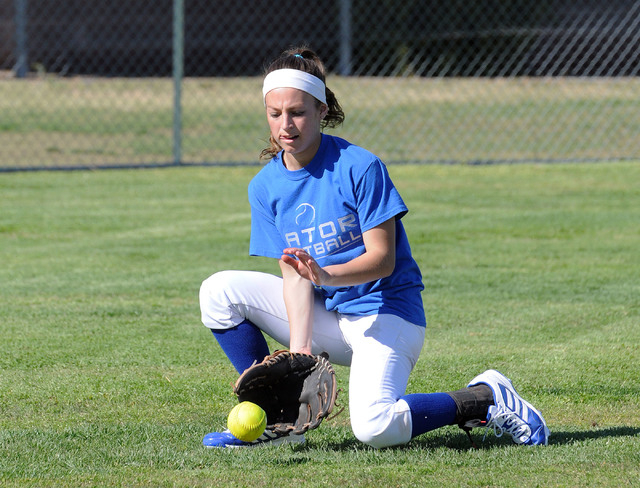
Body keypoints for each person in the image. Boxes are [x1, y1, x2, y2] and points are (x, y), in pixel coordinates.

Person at [199, 46, 549, 448]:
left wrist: (326, 275)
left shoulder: (359, 166)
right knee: (217, 292)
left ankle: (483, 399)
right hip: (330, 317)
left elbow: (383, 261)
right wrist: (297, 359)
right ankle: (274, 415)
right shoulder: (264, 186)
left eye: (297, 112)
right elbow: (293, 275)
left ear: (320, 110)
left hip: (386, 313)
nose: (286, 125)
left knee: (375, 427)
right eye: (275, 113)